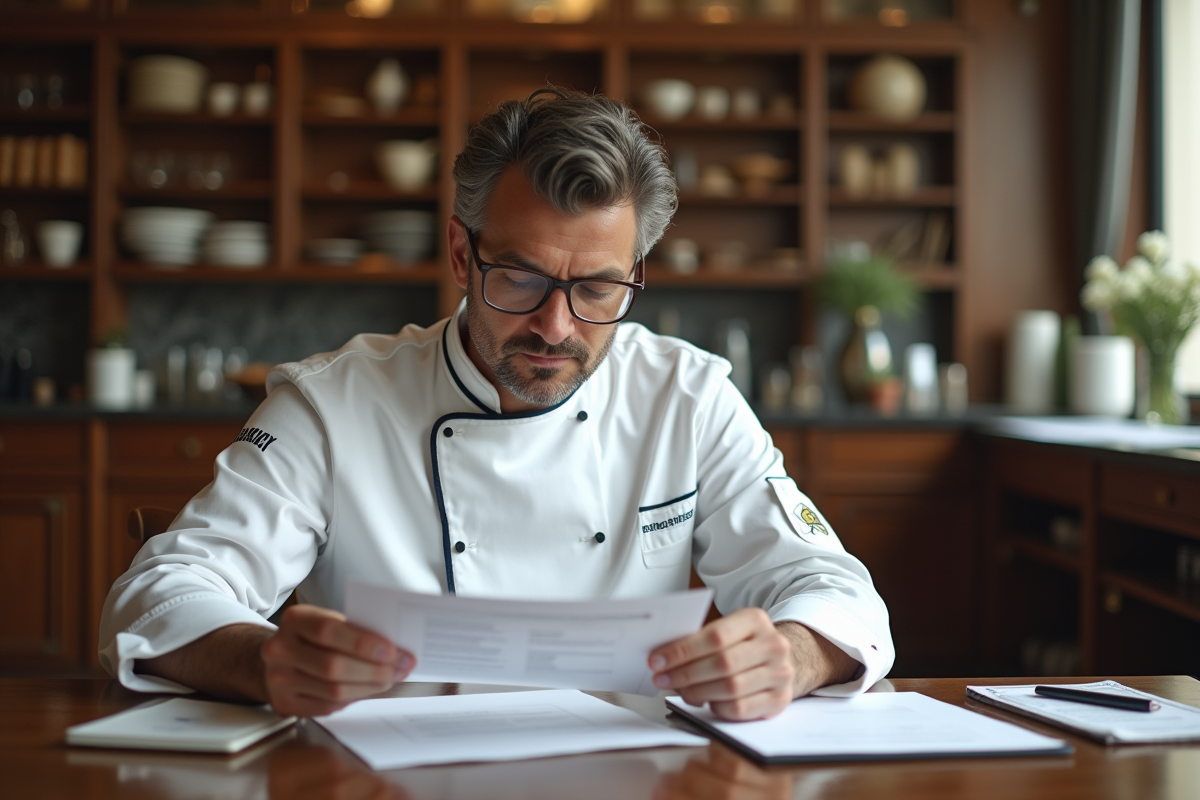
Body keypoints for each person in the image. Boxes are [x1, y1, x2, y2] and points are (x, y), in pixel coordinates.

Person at [100, 88, 893, 721]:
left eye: (596, 289)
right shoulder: (334, 403)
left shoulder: (687, 397)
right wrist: (263, 661)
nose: (556, 326)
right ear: (459, 252)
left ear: (635, 275)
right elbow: (162, 589)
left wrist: (790, 655)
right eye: (519, 277)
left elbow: (834, 588)